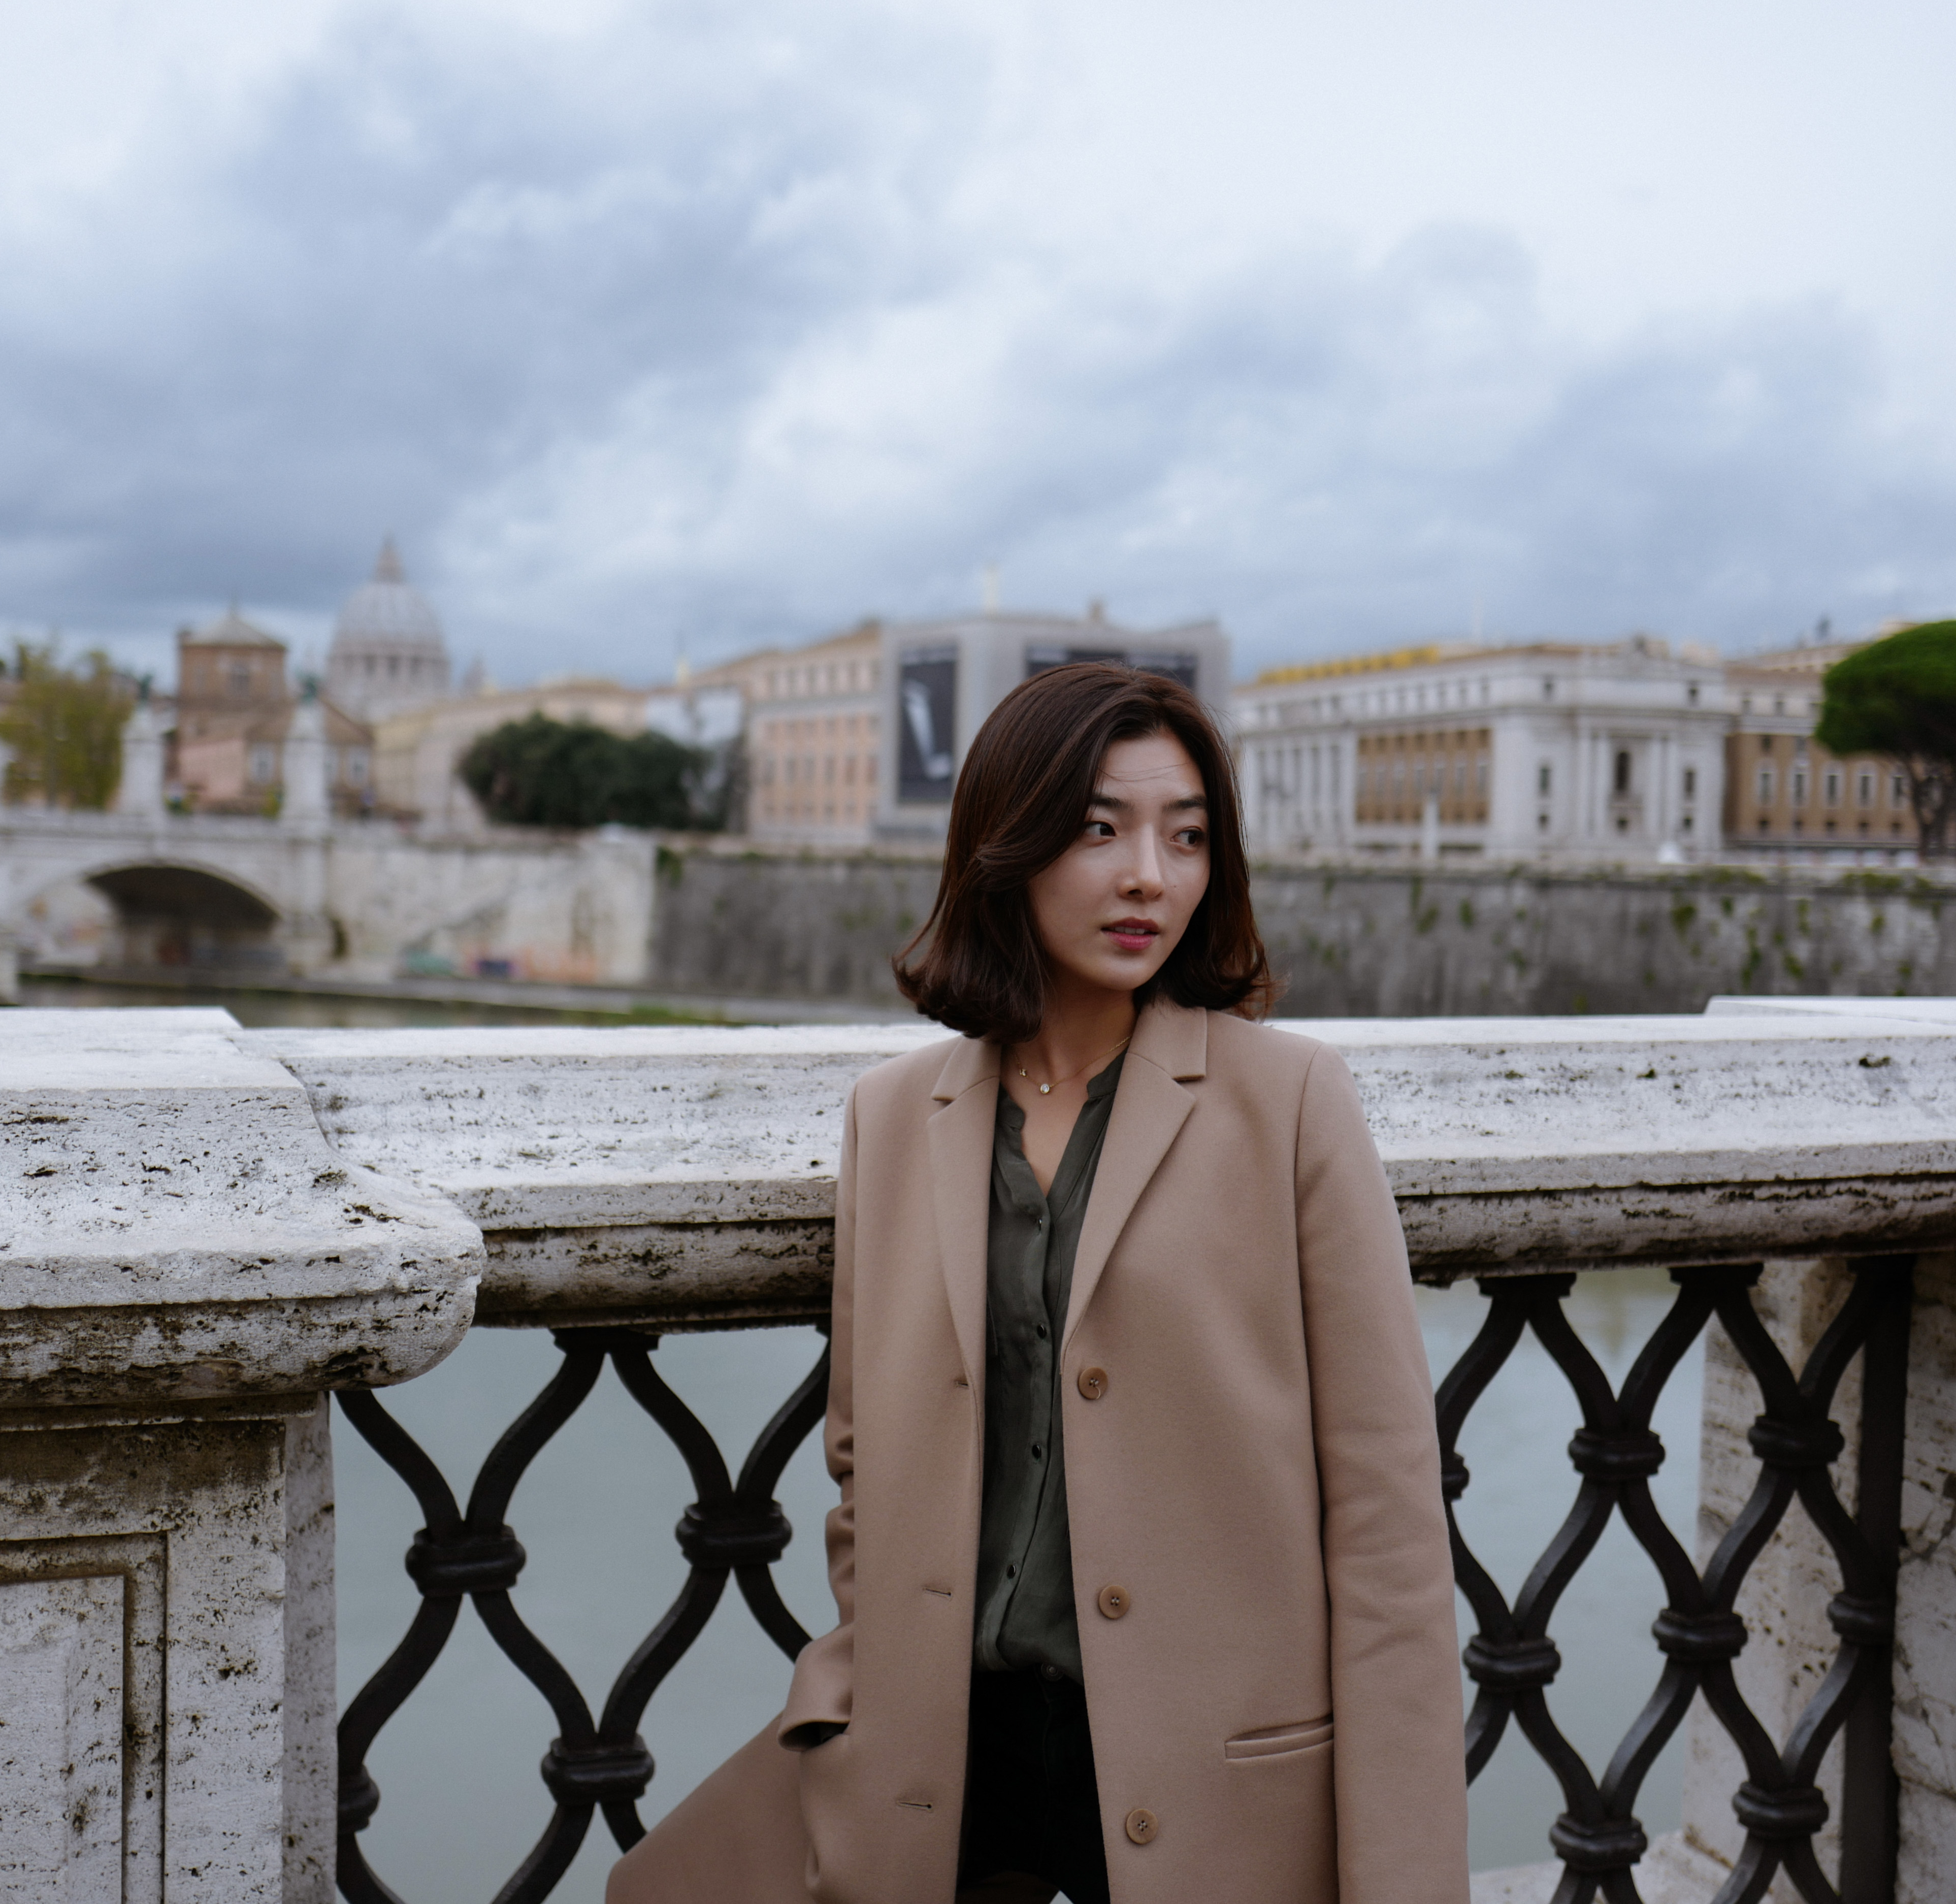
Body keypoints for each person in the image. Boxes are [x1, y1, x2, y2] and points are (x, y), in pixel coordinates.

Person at [610, 662, 1466, 1904]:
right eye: (1099, 829)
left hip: (1214, 1781)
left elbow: (1386, 1516)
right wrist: (859, 1677)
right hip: (942, 1756)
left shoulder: (1287, 1102)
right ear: (1003, 845)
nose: (1149, 877)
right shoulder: (893, 1115)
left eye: (1186, 837)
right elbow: (863, 1457)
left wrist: (1402, 1876)